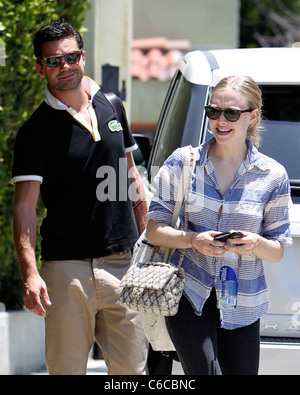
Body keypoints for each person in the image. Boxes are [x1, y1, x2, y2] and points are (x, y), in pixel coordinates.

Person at [11, 20, 148, 375]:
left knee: (133, 373)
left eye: (71, 57)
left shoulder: (112, 106)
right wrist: (30, 275)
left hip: (123, 263)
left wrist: (149, 247)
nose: (65, 67)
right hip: (66, 271)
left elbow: (131, 177)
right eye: (54, 61)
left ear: (83, 57)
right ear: (40, 68)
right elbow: (25, 208)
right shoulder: (34, 132)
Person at [146, 76, 292, 375]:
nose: (221, 121)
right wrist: (193, 240)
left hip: (244, 300)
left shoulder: (272, 175)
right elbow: (153, 229)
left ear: (252, 116)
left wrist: (255, 244)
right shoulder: (183, 162)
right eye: (214, 111)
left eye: (231, 113)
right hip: (190, 292)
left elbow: (277, 250)